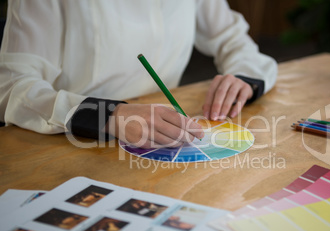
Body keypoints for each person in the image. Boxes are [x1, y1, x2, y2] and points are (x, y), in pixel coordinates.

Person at [0, 0, 277, 148]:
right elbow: (11, 87)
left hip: (165, 139)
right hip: (73, 141)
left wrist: (244, 77)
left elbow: (234, 40)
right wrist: (109, 115)